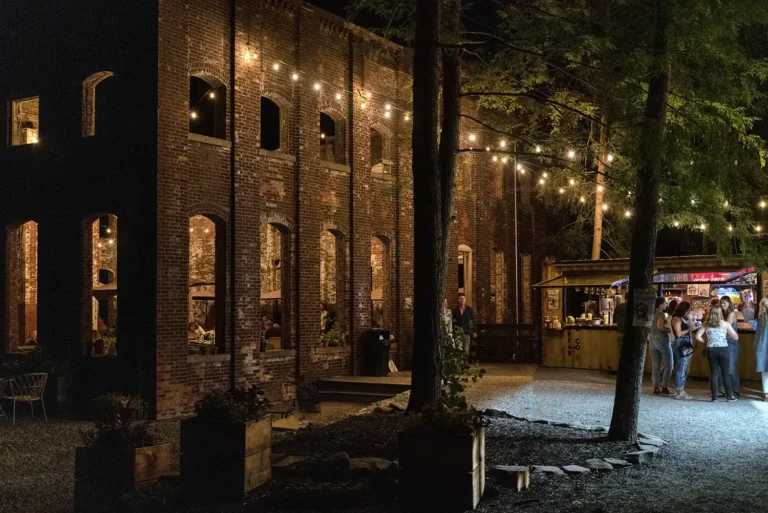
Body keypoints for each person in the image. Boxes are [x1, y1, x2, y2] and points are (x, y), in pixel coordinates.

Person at [694, 305, 738, 402]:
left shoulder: (706, 324)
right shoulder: (725, 324)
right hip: (723, 349)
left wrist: (706, 341)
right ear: (720, 313)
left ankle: (714, 397)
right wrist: (725, 336)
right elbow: (735, 337)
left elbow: (697, 337)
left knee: (714, 373)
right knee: (725, 374)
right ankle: (729, 396)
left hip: (711, 349)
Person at [714, 296, 740, 398]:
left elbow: (725, 329)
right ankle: (723, 390)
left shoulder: (731, 314)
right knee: (721, 367)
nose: (722, 305)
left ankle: (734, 390)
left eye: (724, 303)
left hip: (731, 343)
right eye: (721, 303)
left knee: (731, 367)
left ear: (729, 303)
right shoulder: (721, 314)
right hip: (722, 342)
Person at [649, 296, 673, 395]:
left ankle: (656, 387)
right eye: (665, 303)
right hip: (662, 339)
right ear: (660, 305)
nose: (666, 305)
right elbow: (660, 326)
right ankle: (665, 386)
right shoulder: (660, 314)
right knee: (669, 364)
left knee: (656, 365)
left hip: (652, 339)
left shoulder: (651, 313)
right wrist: (668, 329)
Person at [670, 301, 694, 400]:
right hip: (681, 343)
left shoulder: (683, 318)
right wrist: (689, 330)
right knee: (682, 366)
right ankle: (679, 390)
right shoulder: (677, 319)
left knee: (685, 367)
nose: (689, 312)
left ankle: (681, 389)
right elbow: (678, 333)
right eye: (688, 310)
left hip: (685, 343)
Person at [754, 298, 768, 401]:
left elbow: (758, 335)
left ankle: (766, 393)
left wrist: (755, 347)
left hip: (762, 346)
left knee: (765, 371)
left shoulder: (761, 318)